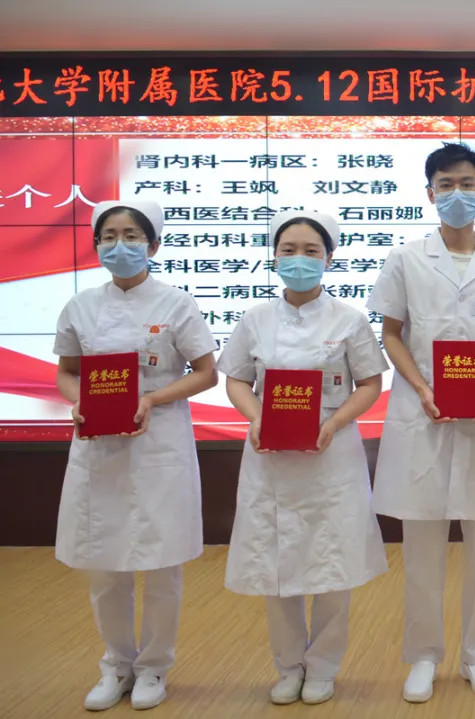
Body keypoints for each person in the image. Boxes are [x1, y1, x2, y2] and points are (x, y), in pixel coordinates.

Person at [367, 143, 475, 703]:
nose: (457, 194)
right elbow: (391, 333)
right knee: (421, 548)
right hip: (423, 417)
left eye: (467, 184)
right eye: (446, 185)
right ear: (430, 193)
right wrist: (421, 387)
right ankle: (423, 656)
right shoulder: (406, 259)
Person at [217, 209, 389, 705]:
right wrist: (255, 417)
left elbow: (370, 383)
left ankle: (324, 667)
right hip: (270, 453)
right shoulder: (255, 319)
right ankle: (288, 666)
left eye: (311, 251)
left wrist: (334, 423)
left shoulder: (349, 319)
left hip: (331, 453)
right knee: (277, 564)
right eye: (288, 250)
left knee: (333, 563)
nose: (299, 260)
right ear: (274, 257)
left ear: (329, 259)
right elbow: (236, 379)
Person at [53, 200, 218, 711]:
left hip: (158, 444)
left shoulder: (176, 304)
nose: (118, 245)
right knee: (105, 565)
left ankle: (154, 667)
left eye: (130, 236)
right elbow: (67, 372)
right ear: (96, 245)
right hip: (99, 449)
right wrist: (77, 402)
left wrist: (152, 399)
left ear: (154, 245)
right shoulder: (80, 306)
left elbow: (206, 373)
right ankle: (116, 665)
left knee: (162, 564)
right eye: (108, 236)